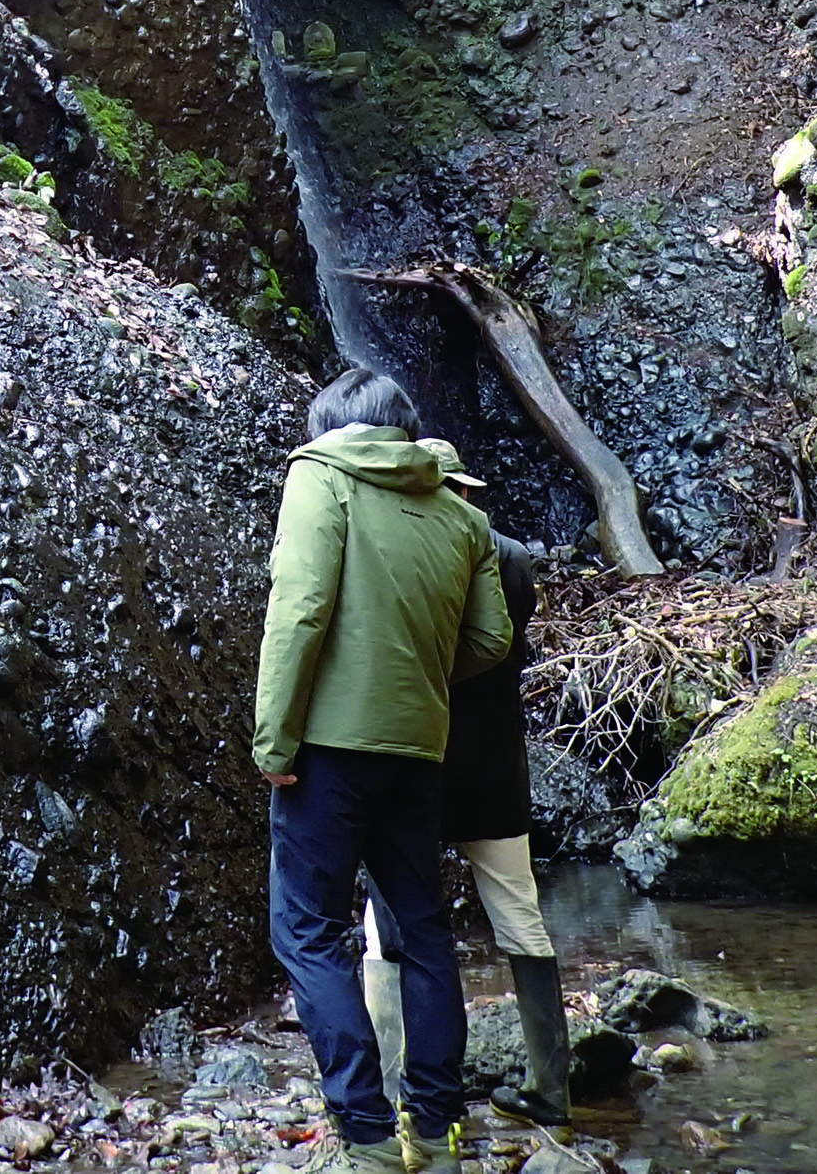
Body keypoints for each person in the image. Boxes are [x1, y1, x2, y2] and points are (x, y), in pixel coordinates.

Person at [254, 366, 512, 1174]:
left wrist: (274, 742)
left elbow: (298, 611)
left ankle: (364, 1136)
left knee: (309, 933)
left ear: (333, 425)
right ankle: (433, 1131)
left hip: (327, 752)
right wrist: (416, 676)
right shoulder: (458, 511)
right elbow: (490, 639)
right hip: (417, 753)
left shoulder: (319, 477)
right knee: (425, 935)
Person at [364, 534, 567, 1127]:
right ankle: (553, 1091)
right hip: (495, 773)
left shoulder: (406, 549)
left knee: (389, 927)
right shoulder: (510, 557)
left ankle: (394, 1087)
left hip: (418, 769)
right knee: (519, 914)